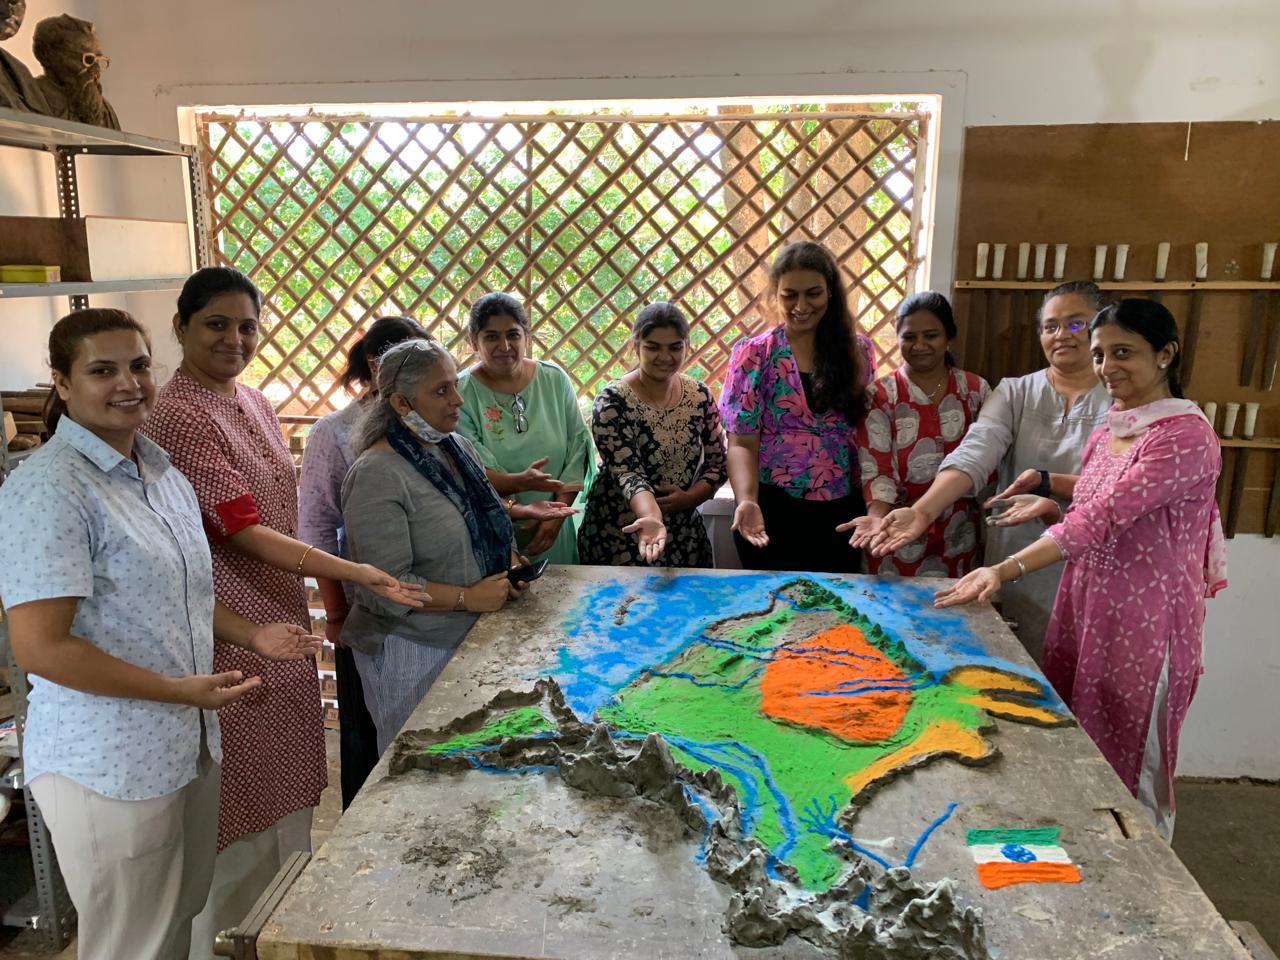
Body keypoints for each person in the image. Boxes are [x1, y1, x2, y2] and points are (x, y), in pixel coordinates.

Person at [0, 309, 321, 960]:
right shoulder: (50, 488)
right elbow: (42, 647)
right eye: (102, 370)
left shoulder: (160, 472)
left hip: (184, 746)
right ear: (61, 384)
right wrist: (175, 689)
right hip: (108, 763)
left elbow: (181, 596)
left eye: (139, 366)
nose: (128, 383)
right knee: (129, 945)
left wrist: (252, 635)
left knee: (178, 922)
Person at [140, 267, 426, 960]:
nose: (234, 339)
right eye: (216, 324)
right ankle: (227, 943)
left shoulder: (256, 403)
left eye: (246, 326)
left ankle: (276, 934)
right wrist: (352, 571)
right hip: (227, 635)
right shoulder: (176, 416)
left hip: (279, 627)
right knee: (234, 823)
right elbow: (239, 530)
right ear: (180, 328)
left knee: (289, 812)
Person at [935, 299, 1226, 839]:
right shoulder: (1115, 428)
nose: (1106, 367)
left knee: (1134, 756)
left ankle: (1148, 876)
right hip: (1089, 608)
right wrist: (1046, 486)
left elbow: (1107, 515)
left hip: (1146, 625)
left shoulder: (1183, 437)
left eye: (1123, 352)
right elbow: (1098, 495)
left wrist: (1004, 569)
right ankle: (1090, 855)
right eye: (1099, 355)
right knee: (1082, 741)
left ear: (1166, 354)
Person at [342, 339, 568, 753]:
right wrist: (468, 596)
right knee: (419, 768)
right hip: (412, 649)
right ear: (401, 403)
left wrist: (509, 567)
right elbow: (387, 586)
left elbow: (484, 520)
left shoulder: (456, 448)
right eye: (441, 390)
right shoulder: (377, 474)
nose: (458, 400)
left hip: (472, 635)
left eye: (454, 385)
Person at [867, 280, 1111, 659]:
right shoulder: (1014, 393)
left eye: (1076, 324)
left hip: (1098, 563)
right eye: (1050, 326)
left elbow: (1129, 487)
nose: (1062, 335)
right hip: (1018, 562)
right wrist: (922, 511)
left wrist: (1050, 486)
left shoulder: (1124, 395)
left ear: (1101, 327)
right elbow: (977, 451)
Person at [298, 314, 427, 809]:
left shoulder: (425, 426)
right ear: (375, 365)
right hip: (365, 611)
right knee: (367, 732)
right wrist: (336, 615)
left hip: (428, 606)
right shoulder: (334, 434)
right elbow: (316, 532)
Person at [719, 240, 873, 573]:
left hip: (842, 514)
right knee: (776, 617)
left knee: (834, 617)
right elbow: (741, 442)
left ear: (830, 292)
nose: (801, 305)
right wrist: (746, 499)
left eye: (812, 293)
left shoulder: (858, 352)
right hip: (770, 512)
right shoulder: (754, 354)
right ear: (776, 295)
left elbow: (865, 434)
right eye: (790, 295)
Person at [844, 292, 990, 576]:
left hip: (959, 533)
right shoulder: (881, 395)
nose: (919, 345)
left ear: (949, 337)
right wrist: (876, 519)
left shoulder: (975, 390)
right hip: (894, 531)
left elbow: (986, 461)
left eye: (931, 335)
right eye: (909, 337)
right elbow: (877, 470)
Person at [577, 302, 728, 566]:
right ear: (635, 346)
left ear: (687, 346)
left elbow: (719, 462)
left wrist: (690, 498)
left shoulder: (700, 395)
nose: (665, 357)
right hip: (623, 532)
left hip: (685, 535)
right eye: (653, 347)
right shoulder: (613, 400)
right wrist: (652, 516)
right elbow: (627, 471)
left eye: (675, 347)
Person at [457, 292, 593, 564]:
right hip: (494, 528)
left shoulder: (554, 380)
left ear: (526, 337)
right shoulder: (462, 393)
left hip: (555, 526)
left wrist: (555, 517)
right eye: (491, 336)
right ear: (474, 341)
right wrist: (520, 506)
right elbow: (472, 470)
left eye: (513, 334)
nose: (504, 345)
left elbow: (578, 449)